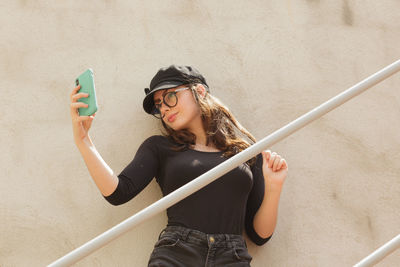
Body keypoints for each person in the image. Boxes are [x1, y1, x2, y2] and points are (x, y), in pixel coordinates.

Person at [69, 65, 288, 266]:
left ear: (200, 92)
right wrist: (83, 141)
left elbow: (260, 235)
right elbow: (118, 192)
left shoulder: (246, 154)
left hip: (231, 257)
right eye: (158, 105)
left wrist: (274, 187)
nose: (163, 109)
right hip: (177, 253)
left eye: (170, 97)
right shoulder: (160, 148)